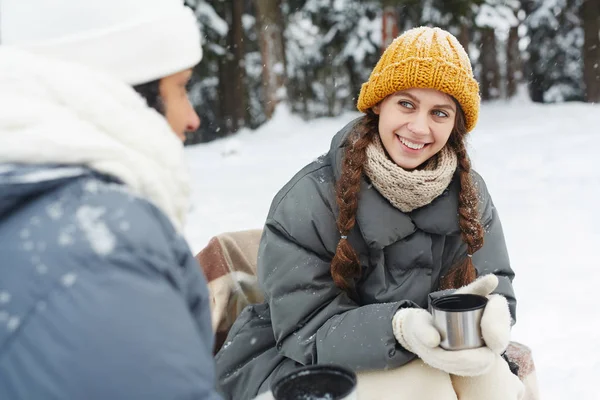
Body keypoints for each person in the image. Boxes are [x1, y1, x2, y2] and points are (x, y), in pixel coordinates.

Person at [215, 26, 525, 400]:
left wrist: (491, 316)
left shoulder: (470, 193)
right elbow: (306, 329)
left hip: (426, 352)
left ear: (455, 125)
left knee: (494, 385)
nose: (419, 127)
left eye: (439, 112)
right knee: (425, 390)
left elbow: (496, 284)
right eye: (406, 104)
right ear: (379, 102)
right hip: (297, 362)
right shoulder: (310, 198)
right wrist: (400, 328)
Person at [0, 1, 222, 399]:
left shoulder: (41, 219)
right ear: (121, 93)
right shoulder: (100, 250)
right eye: (181, 88)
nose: (192, 118)